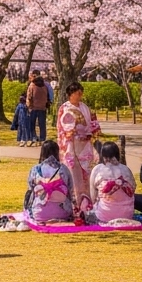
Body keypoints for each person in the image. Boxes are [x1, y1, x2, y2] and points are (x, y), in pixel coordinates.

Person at [56, 82, 100, 212]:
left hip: (85, 143)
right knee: (73, 172)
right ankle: (74, 200)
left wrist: (92, 130)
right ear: (70, 94)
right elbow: (62, 127)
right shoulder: (65, 108)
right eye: (77, 92)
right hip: (71, 145)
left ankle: (87, 199)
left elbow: (92, 122)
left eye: (81, 92)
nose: (80, 95)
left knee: (86, 172)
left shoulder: (85, 107)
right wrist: (71, 133)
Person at [85, 141, 136, 224]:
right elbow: (133, 190)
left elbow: (93, 198)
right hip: (127, 215)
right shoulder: (126, 169)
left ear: (102, 155)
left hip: (104, 215)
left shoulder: (98, 170)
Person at [23, 140, 74, 223]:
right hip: (62, 213)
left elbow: (30, 190)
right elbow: (70, 190)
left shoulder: (35, 170)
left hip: (39, 214)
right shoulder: (63, 169)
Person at [26, 73, 50, 147]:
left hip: (33, 108)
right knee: (42, 124)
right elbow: (47, 96)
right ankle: (42, 139)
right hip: (42, 108)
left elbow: (29, 97)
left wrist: (29, 106)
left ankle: (33, 137)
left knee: (31, 124)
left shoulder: (32, 86)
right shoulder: (44, 87)